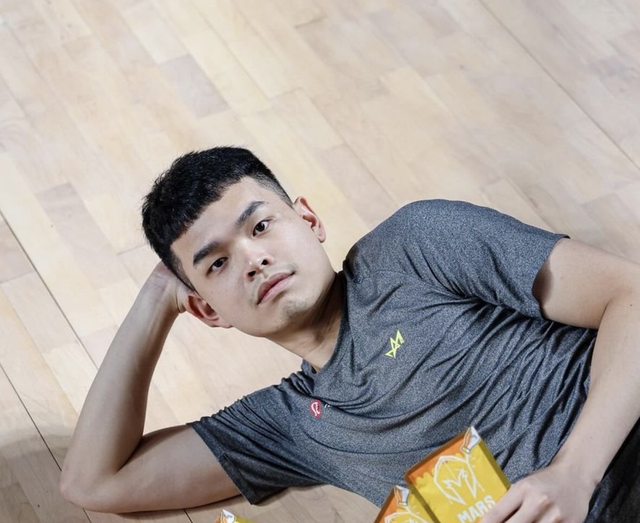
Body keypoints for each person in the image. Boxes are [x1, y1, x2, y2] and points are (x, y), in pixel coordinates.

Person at [60, 147, 640, 522]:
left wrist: (574, 473)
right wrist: (157, 298)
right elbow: (95, 482)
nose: (254, 260)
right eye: (217, 264)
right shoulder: (290, 426)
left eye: (261, 226)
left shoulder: (413, 248)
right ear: (208, 311)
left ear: (309, 221)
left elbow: (631, 295)